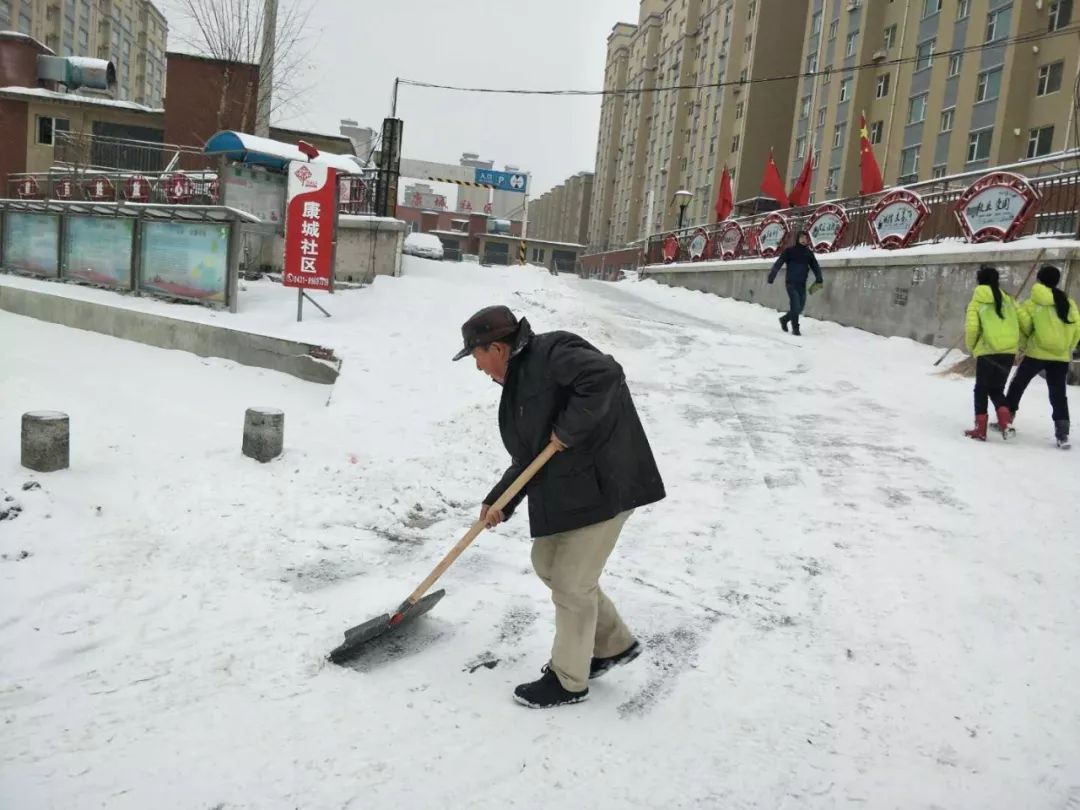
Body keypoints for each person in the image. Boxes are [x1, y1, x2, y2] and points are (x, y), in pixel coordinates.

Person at [453, 305, 665, 708]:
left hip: (609, 483)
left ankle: (569, 680)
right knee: (548, 560)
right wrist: (500, 499)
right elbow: (530, 456)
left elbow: (605, 375)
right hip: (577, 490)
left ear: (496, 348)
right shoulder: (518, 383)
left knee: (571, 580)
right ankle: (611, 645)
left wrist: (568, 430)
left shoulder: (551, 352)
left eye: (476, 356)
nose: (477, 366)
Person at [1004, 265, 1080, 449]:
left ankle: (1006, 419)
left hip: (1036, 353)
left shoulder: (1032, 303)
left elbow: (1026, 328)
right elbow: (1077, 329)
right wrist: (1068, 346)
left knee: (1017, 385)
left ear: (1038, 280)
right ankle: (1062, 434)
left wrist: (1022, 347)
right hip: (1060, 356)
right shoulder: (1068, 302)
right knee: (1058, 395)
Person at [962, 266, 1020, 441]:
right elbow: (1023, 320)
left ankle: (980, 429)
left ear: (979, 281)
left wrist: (972, 348)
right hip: (1008, 351)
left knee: (981, 389)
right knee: (996, 389)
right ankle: (1005, 423)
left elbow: (972, 328)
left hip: (987, 351)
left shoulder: (977, 301)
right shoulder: (1009, 300)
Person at [767, 230, 824, 336]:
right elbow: (779, 262)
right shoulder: (790, 251)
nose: (804, 239)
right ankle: (795, 328)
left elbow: (815, 266)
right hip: (791, 283)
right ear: (797, 239)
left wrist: (819, 277)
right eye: (801, 237)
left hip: (802, 284)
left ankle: (784, 319)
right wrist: (772, 275)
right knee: (795, 305)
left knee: (800, 307)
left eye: (805, 238)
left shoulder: (809, 253)